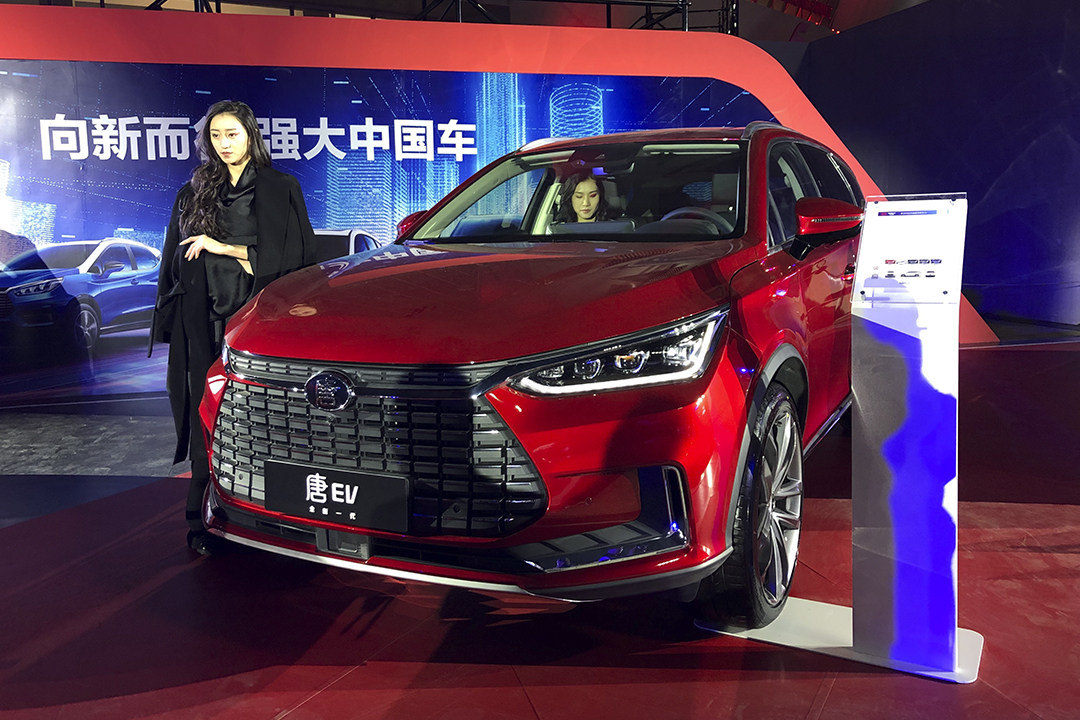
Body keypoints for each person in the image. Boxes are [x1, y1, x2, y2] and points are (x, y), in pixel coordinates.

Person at [151, 99, 317, 556]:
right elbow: (173, 257)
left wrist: (222, 247)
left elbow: (297, 259)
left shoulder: (280, 188)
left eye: (233, 134)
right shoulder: (192, 192)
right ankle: (201, 517)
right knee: (204, 412)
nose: (224, 144)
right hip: (199, 319)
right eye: (216, 135)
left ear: (251, 135)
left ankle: (272, 517)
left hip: (253, 321)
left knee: (257, 415)